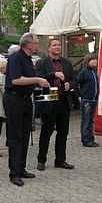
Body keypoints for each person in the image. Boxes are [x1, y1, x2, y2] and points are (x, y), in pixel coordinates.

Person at [4, 33, 49, 186]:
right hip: (14, 99)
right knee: (15, 136)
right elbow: (16, 80)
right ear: (28, 44)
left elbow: (29, 79)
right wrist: (37, 80)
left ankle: (21, 168)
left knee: (25, 135)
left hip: (25, 99)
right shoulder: (15, 57)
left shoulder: (28, 58)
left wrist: (41, 81)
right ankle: (14, 173)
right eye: (36, 42)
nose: (37, 45)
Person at [35, 39, 75, 171]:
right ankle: (41, 160)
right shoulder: (42, 62)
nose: (57, 47)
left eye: (59, 45)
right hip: (49, 97)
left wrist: (71, 84)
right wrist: (53, 74)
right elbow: (38, 78)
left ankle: (60, 160)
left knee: (63, 132)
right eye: (54, 45)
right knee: (47, 131)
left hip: (63, 98)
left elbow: (74, 79)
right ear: (49, 48)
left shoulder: (67, 62)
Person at [76, 54, 100, 148]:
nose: (95, 61)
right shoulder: (84, 72)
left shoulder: (94, 71)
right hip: (87, 100)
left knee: (91, 121)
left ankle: (91, 139)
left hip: (93, 100)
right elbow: (76, 83)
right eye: (92, 60)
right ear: (87, 61)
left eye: (95, 59)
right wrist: (79, 96)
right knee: (86, 121)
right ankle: (86, 140)